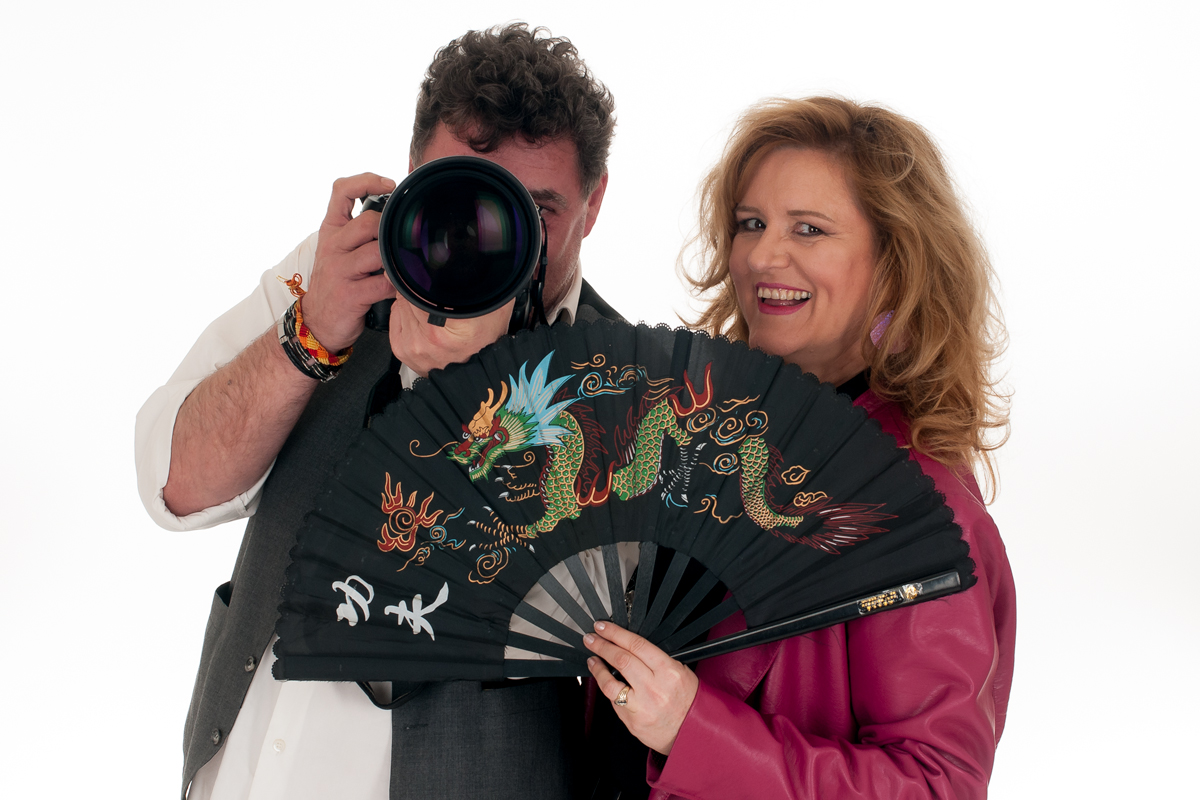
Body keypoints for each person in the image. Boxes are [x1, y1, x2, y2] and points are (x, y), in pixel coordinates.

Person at [136, 24, 618, 800]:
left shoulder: (625, 381)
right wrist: (309, 335)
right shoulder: (339, 271)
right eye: (465, 195)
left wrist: (481, 400)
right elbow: (174, 484)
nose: (493, 235)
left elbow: (598, 629)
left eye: (535, 210)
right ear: (413, 175)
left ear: (593, 206)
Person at [582, 97, 1016, 799]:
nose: (761, 256)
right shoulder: (713, 441)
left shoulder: (913, 509)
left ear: (895, 264)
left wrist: (694, 730)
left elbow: (937, 785)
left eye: (809, 229)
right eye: (751, 223)